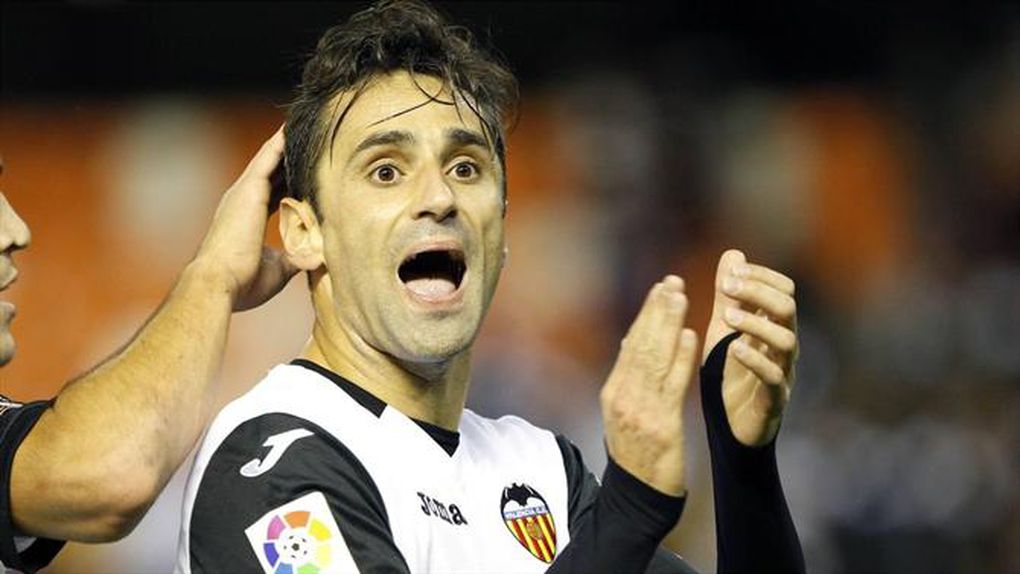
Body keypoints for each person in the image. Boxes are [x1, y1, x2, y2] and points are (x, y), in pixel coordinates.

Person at [178, 1, 804, 572]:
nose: (439, 197)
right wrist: (630, 508)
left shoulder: (541, 470)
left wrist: (742, 457)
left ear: (500, 232)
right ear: (305, 232)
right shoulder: (270, 462)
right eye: (387, 170)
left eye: (465, 167)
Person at [0, 129, 298, 573]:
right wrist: (214, 274)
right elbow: (104, 477)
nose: (17, 232)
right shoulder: (123, 338)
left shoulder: (286, 332)